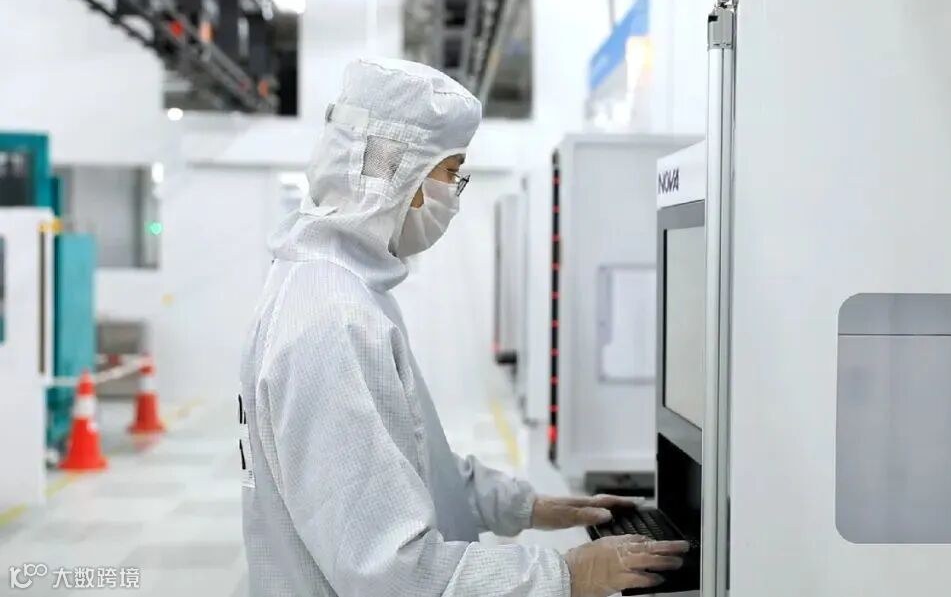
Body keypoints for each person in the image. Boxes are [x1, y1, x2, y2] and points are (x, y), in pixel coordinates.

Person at [238, 58, 687, 597]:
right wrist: (570, 573)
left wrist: (528, 506)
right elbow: (389, 573)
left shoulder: (341, 288)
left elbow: (403, 461)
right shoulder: (332, 321)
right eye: (451, 173)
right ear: (402, 175)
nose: (454, 193)